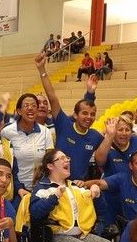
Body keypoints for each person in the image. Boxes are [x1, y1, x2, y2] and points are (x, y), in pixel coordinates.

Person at [35, 53, 102, 185]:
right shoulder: (64, 125)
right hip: (55, 185)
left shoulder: (95, 136)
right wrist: (42, 69)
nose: (89, 117)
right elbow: (52, 97)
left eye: (92, 115)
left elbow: (109, 151)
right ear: (75, 115)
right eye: (85, 114)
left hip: (78, 188)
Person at [0, 93, 53, 205]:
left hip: (40, 188)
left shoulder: (45, 132)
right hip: (16, 189)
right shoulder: (7, 132)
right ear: (19, 111)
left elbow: (49, 163)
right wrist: (18, 187)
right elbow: (6, 164)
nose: (30, 108)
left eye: (34, 105)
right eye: (26, 105)